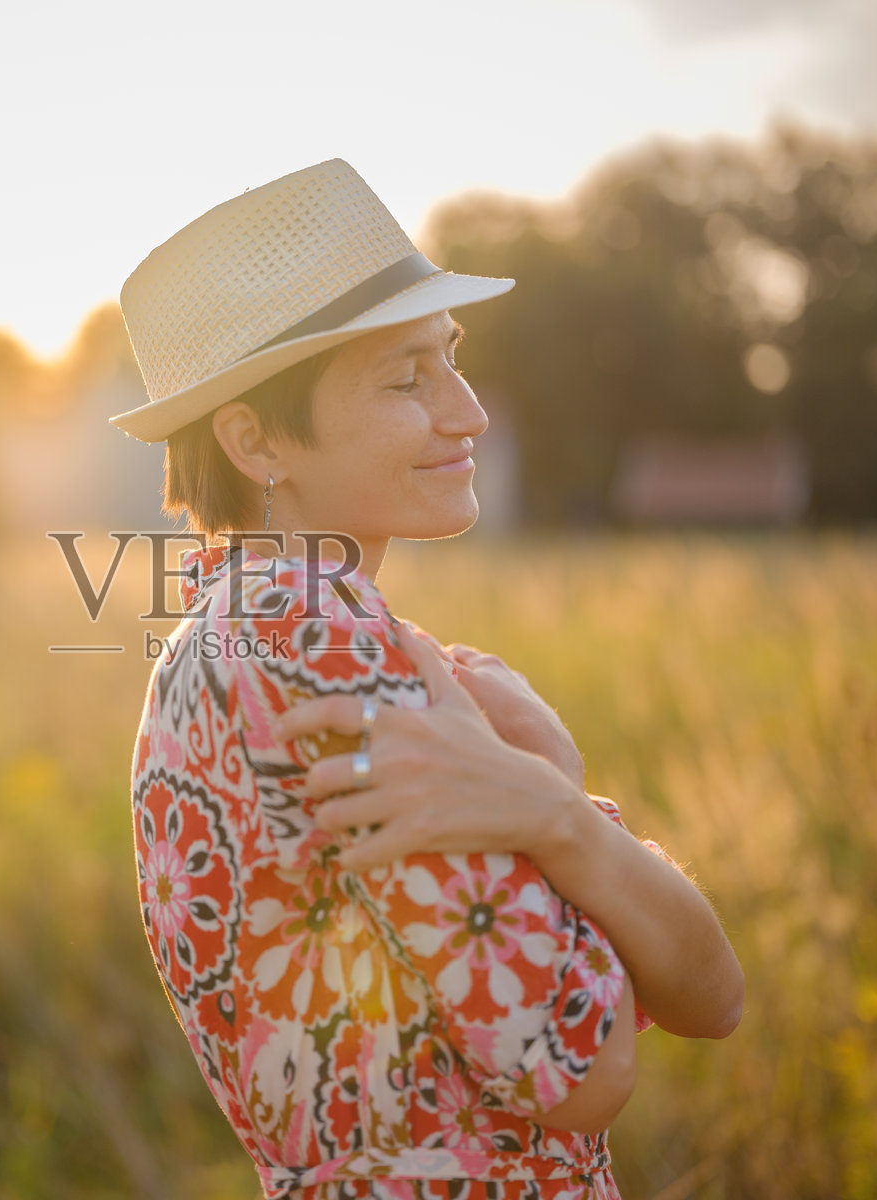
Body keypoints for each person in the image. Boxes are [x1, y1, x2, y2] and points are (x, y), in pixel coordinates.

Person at [112, 159, 743, 1199]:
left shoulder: (242, 639)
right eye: (405, 379)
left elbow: (711, 997)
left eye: (451, 361)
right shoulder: (311, 639)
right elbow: (581, 1066)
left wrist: (558, 812)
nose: (468, 414)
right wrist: (558, 810)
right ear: (254, 437)